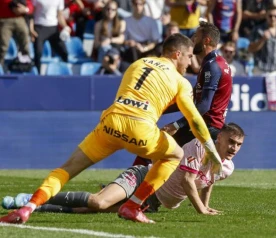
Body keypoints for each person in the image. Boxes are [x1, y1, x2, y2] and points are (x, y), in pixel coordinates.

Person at [0, 33, 222, 225]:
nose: (190, 63)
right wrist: (211, 150)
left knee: (65, 170)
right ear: (177, 54)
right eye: (189, 57)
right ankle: (133, 206)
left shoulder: (138, 63)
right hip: (140, 129)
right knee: (176, 154)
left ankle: (27, 208)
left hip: (110, 123)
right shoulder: (180, 81)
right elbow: (194, 117)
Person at [3, 123, 245, 215]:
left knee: (87, 210)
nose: (234, 147)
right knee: (98, 202)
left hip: (154, 202)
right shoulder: (201, 147)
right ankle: (32, 198)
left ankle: (36, 205)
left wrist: (207, 202)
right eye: (231, 142)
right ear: (220, 138)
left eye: (239, 145)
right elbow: (187, 181)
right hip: (144, 179)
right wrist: (201, 209)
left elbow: (209, 180)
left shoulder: (228, 167)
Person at [133, 21, 233, 166]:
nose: (192, 40)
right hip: (204, 125)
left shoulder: (212, 66)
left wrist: (177, 125)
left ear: (206, 40)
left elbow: (203, 106)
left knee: (152, 148)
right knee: (169, 161)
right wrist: (159, 110)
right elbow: (189, 100)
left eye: (196, 36)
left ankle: (127, 185)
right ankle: (134, 186)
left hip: (205, 127)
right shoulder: (213, 63)